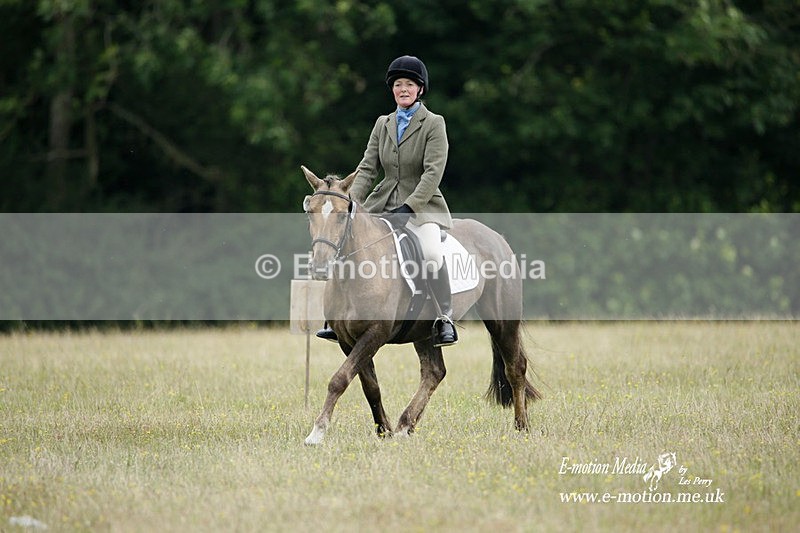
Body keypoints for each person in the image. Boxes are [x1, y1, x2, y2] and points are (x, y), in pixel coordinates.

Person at [317, 55, 457, 347]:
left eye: (409, 84)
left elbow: (433, 173)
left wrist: (410, 207)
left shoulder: (434, 123)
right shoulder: (383, 123)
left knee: (431, 253)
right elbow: (367, 169)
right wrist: (349, 201)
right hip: (382, 203)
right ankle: (337, 317)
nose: (403, 89)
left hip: (422, 207)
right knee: (347, 242)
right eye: (398, 84)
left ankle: (444, 317)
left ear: (420, 89)